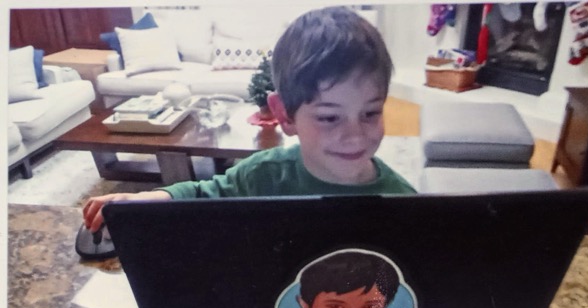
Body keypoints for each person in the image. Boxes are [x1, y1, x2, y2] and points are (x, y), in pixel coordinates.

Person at [82, 6, 416, 232]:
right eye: (330, 118)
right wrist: (145, 200)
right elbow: (204, 194)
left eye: (370, 113)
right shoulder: (262, 175)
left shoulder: (407, 204)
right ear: (284, 115)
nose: (355, 136)